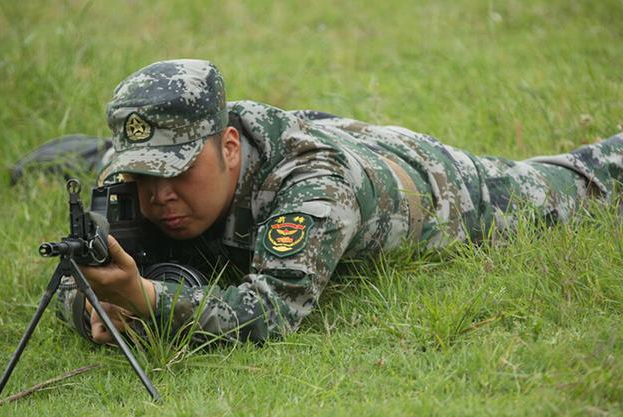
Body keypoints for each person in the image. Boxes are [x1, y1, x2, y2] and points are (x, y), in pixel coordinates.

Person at [56, 59, 623, 345]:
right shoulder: (156, 175)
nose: (158, 195)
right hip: (324, 131)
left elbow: (273, 309)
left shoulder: (314, 185)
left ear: (229, 147)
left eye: (177, 168)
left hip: (443, 185)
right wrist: (92, 308)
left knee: (579, 183)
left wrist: (148, 298)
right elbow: (71, 274)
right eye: (142, 171)